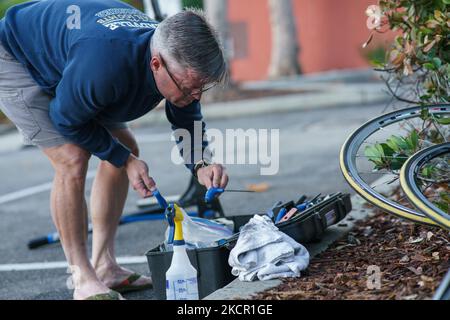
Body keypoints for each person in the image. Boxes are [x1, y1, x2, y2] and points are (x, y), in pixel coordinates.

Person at [0, 0, 228, 300]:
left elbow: (186, 118)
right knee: (72, 159)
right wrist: (125, 160)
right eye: (188, 88)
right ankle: (81, 276)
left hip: (74, 61)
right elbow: (66, 119)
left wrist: (200, 164)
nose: (195, 95)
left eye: (201, 88)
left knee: (126, 146)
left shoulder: (178, 63)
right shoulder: (106, 65)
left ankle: (105, 265)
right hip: (16, 55)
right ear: (156, 64)